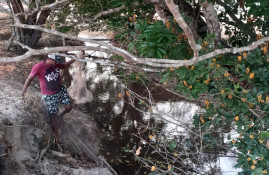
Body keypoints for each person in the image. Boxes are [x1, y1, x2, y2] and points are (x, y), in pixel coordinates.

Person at [22, 53, 76, 143]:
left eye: (57, 62)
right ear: (49, 59)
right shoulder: (38, 67)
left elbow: (65, 65)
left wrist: (75, 58)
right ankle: (56, 139)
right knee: (53, 117)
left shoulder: (55, 64)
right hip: (49, 94)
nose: (56, 63)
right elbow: (29, 79)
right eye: (54, 61)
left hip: (60, 89)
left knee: (68, 107)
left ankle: (61, 116)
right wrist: (23, 92)